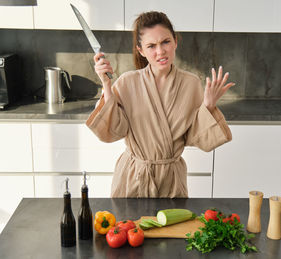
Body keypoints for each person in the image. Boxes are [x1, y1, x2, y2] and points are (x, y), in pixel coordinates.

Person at [86, 11, 234, 198]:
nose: (160, 51)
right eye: (151, 46)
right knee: (128, 227)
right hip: (133, 177)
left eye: (165, 42)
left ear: (175, 42)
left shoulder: (191, 83)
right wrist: (106, 84)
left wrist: (209, 105)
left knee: (172, 228)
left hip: (171, 180)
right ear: (141, 50)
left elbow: (195, 136)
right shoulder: (127, 82)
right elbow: (114, 130)